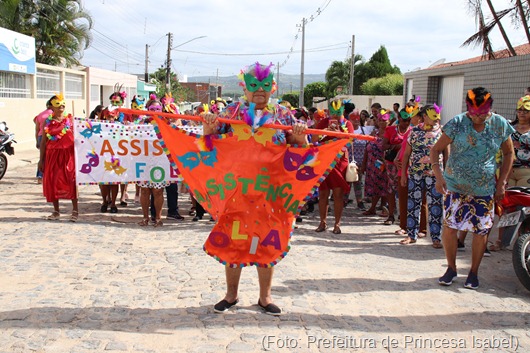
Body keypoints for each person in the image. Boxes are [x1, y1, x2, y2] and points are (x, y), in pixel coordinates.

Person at [202, 62, 307, 316]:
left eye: (264, 86)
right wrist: (209, 126)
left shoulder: (283, 115)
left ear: (272, 87)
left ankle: (265, 296)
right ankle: (231, 295)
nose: (259, 91)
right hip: (236, 191)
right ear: (244, 88)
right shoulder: (230, 112)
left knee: (267, 243)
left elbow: (299, 149)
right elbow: (209, 144)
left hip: (271, 192)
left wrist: (300, 135)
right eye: (253, 86)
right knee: (232, 240)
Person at [432, 87, 514, 289]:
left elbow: (509, 154)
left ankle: (473, 272)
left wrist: (502, 181)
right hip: (455, 186)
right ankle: (451, 268)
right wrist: (439, 176)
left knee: (481, 231)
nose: (477, 118)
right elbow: (436, 150)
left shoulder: (499, 124)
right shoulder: (458, 123)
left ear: (490, 109)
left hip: (484, 189)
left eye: (482, 113)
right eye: (474, 113)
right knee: (450, 228)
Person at [399, 104, 446, 247]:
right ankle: (411, 235)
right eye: (433, 117)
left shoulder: (442, 131)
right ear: (425, 116)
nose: (436, 120)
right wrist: (403, 174)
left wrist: (445, 175)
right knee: (413, 204)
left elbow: (446, 152)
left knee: (436, 205)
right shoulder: (414, 132)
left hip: (435, 174)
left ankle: (436, 237)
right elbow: (407, 154)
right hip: (415, 173)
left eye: (438, 117)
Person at [312, 100, 353, 234]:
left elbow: (350, 141)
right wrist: (323, 131)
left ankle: (337, 223)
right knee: (323, 193)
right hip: (324, 160)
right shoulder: (324, 122)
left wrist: (339, 133)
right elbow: (313, 139)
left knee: (338, 193)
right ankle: (322, 222)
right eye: (332, 112)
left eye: (338, 112)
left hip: (339, 161)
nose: (335, 116)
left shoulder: (348, 124)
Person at [38, 94, 79, 222]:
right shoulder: (47, 122)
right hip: (52, 155)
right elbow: (44, 142)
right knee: (53, 181)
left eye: (62, 104)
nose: (61, 106)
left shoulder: (71, 120)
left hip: (68, 155)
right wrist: (41, 159)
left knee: (71, 180)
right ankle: (56, 211)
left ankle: (75, 210)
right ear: (52, 107)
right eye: (57, 104)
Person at [137, 95, 169, 227]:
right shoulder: (141, 124)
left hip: (159, 161)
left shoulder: (166, 123)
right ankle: (145, 218)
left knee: (158, 190)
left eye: (158, 108)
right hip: (143, 161)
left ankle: (158, 218)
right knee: (144, 190)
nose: (155, 111)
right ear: (147, 109)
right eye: (152, 108)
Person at [382, 108, 411, 225]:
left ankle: (403, 214)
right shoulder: (390, 130)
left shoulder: (413, 131)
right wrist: (397, 146)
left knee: (405, 189)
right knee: (391, 189)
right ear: (399, 118)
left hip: (407, 164)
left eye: (408, 120)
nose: (406, 123)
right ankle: (390, 215)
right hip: (391, 165)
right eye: (404, 120)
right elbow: (384, 146)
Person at [359, 109, 389, 216]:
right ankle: (373, 207)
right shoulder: (374, 133)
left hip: (385, 164)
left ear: (388, 121)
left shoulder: (390, 133)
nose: (381, 122)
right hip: (372, 165)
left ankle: (384, 208)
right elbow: (367, 148)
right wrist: (363, 164)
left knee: (384, 187)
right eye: (379, 120)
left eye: (384, 120)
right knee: (374, 186)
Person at [348, 110, 374, 210]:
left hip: (360, 161)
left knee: (358, 182)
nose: (355, 121)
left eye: (357, 119)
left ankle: (359, 201)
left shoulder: (364, 130)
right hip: (349, 160)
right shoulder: (347, 131)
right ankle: (344, 200)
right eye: (353, 119)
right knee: (347, 181)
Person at [34, 99, 53, 183]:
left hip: (40, 136)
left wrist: (37, 141)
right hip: (49, 136)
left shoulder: (40, 115)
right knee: (50, 156)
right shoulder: (53, 114)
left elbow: (37, 129)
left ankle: (40, 177)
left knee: (42, 156)